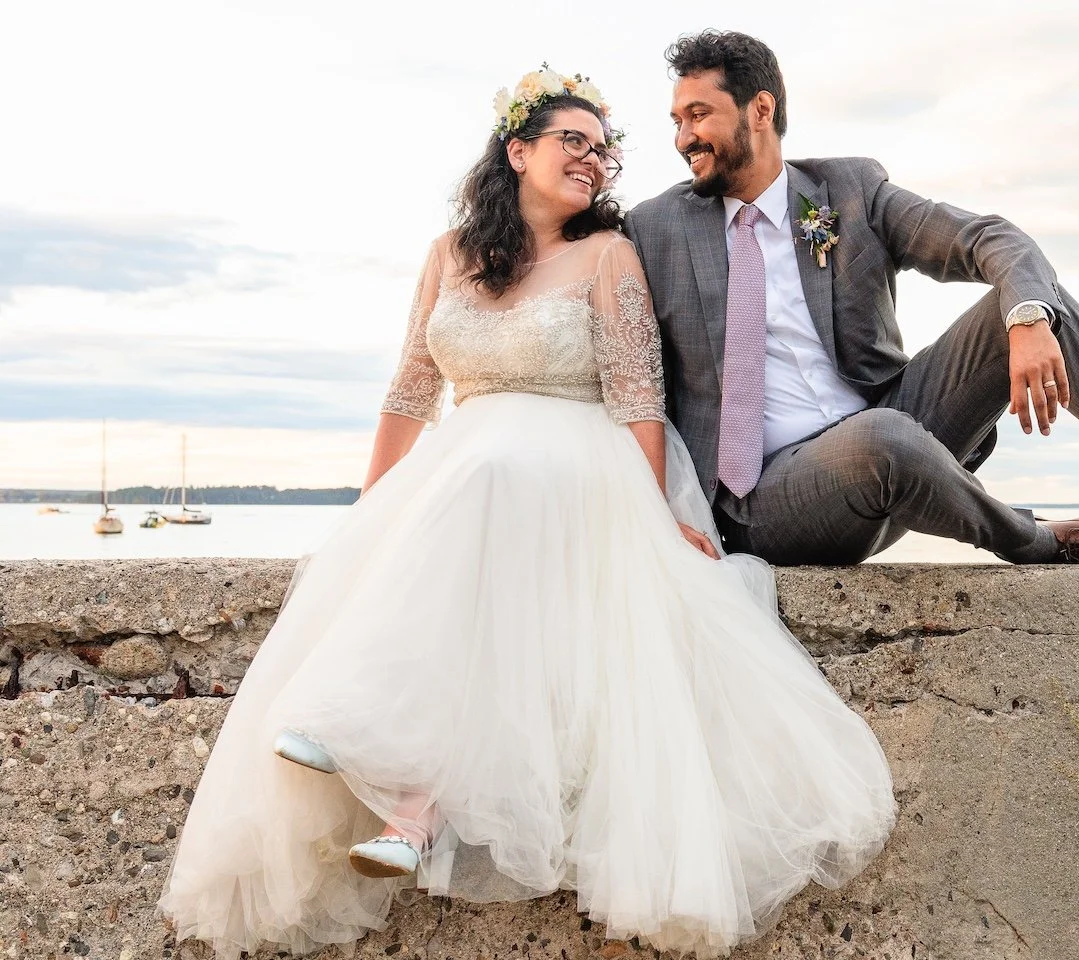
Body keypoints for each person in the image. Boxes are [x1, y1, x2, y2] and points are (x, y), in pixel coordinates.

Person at [158, 67, 894, 959]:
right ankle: (414, 807)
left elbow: (636, 395)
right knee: (467, 495)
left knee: (491, 479)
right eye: (572, 141)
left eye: (602, 147)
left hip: (578, 461)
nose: (594, 159)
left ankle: (394, 772)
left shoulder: (608, 253)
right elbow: (410, 392)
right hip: (472, 466)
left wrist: (655, 513)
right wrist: (369, 508)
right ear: (518, 151)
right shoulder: (450, 253)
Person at [627, 30, 1079, 568]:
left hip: (906, 428)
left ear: (760, 109)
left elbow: (993, 238)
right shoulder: (654, 230)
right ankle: (1040, 539)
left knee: (1031, 298)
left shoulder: (849, 190)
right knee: (881, 437)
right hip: (771, 501)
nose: (684, 136)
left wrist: (1029, 320)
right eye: (676, 120)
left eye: (699, 115)